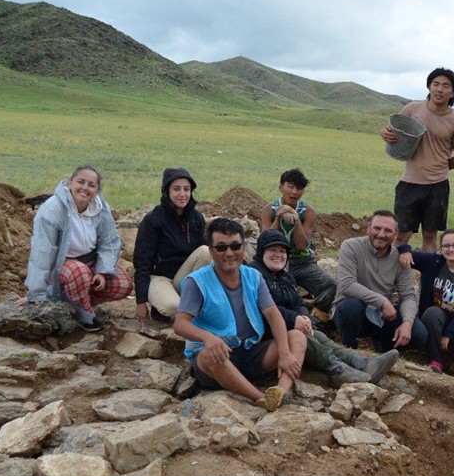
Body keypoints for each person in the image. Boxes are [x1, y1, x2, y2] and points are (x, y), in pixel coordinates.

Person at [174, 217, 307, 410]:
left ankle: (281, 392)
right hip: (218, 359)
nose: (229, 253)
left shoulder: (253, 276)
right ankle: (261, 398)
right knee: (209, 355)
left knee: (297, 337)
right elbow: (180, 324)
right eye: (221, 248)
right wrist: (208, 338)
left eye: (235, 246)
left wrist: (285, 353)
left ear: (244, 248)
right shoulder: (197, 282)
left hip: (250, 351)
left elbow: (272, 314)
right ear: (211, 251)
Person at [254, 230, 399, 386]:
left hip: (287, 327)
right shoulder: (254, 275)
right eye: (272, 250)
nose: (278, 255)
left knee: (317, 334)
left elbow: (298, 302)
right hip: (264, 335)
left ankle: (359, 362)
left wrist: (304, 317)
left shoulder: (285, 276)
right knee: (304, 336)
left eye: (282, 251)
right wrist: (294, 319)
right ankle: (337, 370)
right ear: (261, 251)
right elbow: (266, 309)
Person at [22, 165, 132, 331]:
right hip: (62, 266)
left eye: (91, 185)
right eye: (81, 182)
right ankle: (84, 315)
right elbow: (42, 251)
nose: (85, 188)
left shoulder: (100, 208)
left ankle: (78, 298)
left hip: (90, 261)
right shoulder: (52, 209)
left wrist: (102, 271)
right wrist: (37, 292)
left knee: (123, 284)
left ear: (97, 189)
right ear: (70, 182)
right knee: (79, 273)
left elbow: (109, 243)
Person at [380, 67, 454, 253]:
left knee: (430, 235)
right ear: (429, 86)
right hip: (408, 183)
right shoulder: (413, 109)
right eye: (435, 84)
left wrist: (438, 169)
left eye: (446, 86)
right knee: (401, 234)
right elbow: (392, 129)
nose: (439, 89)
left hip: (437, 187)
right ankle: (391, 279)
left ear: (453, 92)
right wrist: (385, 133)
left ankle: (427, 280)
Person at [332, 211, 428, 354]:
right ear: (368, 228)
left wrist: (408, 322)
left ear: (395, 235)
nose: (381, 234)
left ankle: (385, 351)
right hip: (356, 311)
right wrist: (381, 301)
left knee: (419, 334)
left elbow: (408, 296)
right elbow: (347, 284)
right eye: (377, 228)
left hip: (382, 316)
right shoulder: (351, 246)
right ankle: (349, 351)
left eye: (388, 231)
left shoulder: (399, 258)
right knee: (349, 308)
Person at [133, 167, 212, 325]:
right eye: (176, 189)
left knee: (206, 252)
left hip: (183, 278)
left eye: (186, 189)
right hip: (159, 277)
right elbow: (142, 261)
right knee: (173, 307)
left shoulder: (196, 218)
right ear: (166, 191)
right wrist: (140, 302)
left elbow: (206, 261)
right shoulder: (153, 220)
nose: (182, 194)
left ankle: (193, 300)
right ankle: (160, 303)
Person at [397, 228, 454, 373]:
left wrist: (448, 334)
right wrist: (405, 250)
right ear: (440, 248)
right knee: (431, 313)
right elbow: (404, 250)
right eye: (446, 246)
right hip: (438, 314)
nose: (451, 249)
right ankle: (435, 359)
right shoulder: (432, 262)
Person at [258, 168, 336, 317]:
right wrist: (278, 218)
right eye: (290, 187)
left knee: (331, 285)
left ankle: (318, 316)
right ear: (281, 187)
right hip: (274, 263)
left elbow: (301, 245)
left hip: (302, 262)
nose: (294, 192)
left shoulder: (308, 211)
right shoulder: (269, 210)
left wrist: (296, 221)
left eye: (299, 188)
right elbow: (266, 241)